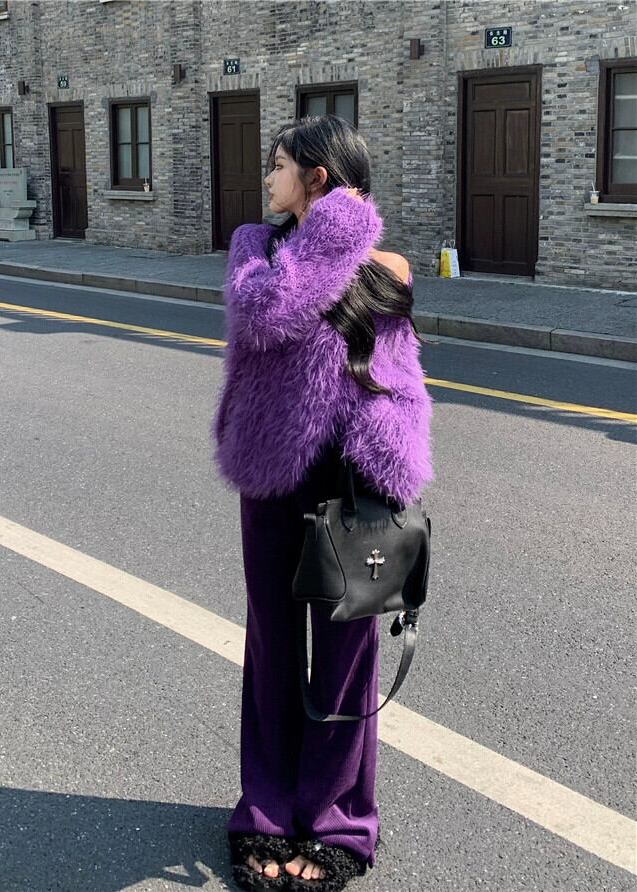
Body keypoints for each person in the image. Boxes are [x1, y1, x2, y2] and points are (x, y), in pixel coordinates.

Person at [211, 114, 433, 892]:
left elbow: (400, 375)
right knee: (273, 645)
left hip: (356, 482)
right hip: (272, 473)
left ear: (317, 178)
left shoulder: (390, 266)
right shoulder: (255, 249)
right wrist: (332, 231)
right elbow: (263, 315)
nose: (266, 179)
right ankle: (267, 811)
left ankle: (339, 820)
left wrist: (397, 472)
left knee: (346, 660)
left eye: (278, 166)